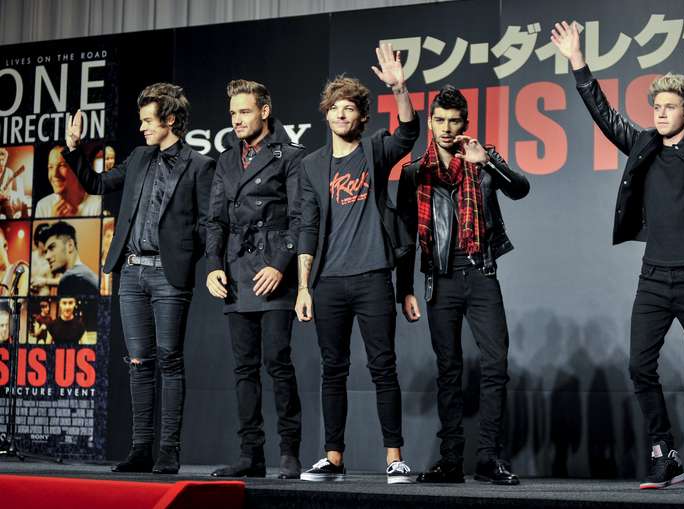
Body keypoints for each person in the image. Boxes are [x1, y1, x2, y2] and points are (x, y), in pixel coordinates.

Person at [551, 20, 684, 491]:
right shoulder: (642, 144)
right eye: (656, 107)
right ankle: (665, 455)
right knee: (640, 367)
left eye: (670, 107)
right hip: (654, 279)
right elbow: (605, 115)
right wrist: (578, 62)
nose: (661, 113)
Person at [62, 83, 215, 474]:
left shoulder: (199, 165)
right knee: (138, 362)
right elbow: (98, 184)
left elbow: (207, 224)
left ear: (170, 120)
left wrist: (183, 256)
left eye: (148, 120)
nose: (142, 127)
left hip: (168, 275)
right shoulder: (139, 157)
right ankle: (141, 449)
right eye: (142, 120)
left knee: (169, 359)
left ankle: (169, 451)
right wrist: (74, 149)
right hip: (131, 272)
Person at [295, 43, 419, 484]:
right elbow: (307, 226)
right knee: (333, 370)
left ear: (362, 117)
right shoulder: (311, 166)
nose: (341, 114)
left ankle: (394, 458)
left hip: (372, 277)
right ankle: (333, 457)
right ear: (326, 115)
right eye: (335, 108)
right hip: (328, 281)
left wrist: (399, 88)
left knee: (383, 366)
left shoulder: (374, 151)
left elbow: (408, 133)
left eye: (349, 108)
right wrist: (304, 286)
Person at [396, 85, 530, 484]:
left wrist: (487, 162)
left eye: (454, 121)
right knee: (449, 370)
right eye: (439, 120)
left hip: (481, 272)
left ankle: (488, 457)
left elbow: (520, 189)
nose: (446, 128)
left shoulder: (482, 158)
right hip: (440, 279)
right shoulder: (414, 172)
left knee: (495, 364)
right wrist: (404, 289)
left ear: (465, 123)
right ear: (430, 123)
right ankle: (451, 459)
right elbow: (404, 235)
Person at [206, 80, 304, 479]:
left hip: (273, 272)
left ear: (264, 111)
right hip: (236, 272)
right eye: (233, 113)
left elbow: (299, 218)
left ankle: (290, 452)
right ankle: (251, 454)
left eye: (244, 111)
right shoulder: (226, 160)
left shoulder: (289, 156)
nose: (237, 119)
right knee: (244, 369)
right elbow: (214, 219)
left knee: (277, 361)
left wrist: (280, 264)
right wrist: (214, 265)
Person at [35, 146, 101, 218]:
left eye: (62, 165)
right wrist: (53, 221)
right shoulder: (42, 206)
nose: (54, 174)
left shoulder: (98, 204)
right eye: (50, 167)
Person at [39, 221, 99, 296]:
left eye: (52, 248)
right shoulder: (87, 275)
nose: (47, 257)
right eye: (46, 252)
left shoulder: (70, 279)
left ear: (70, 245)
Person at [0, 147, 30, 218]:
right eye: (0, 160)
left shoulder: (9, 172)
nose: (1, 162)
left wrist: (3, 195)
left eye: (3, 160)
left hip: (4, 201)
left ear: (5, 160)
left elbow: (8, 194)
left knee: (9, 210)